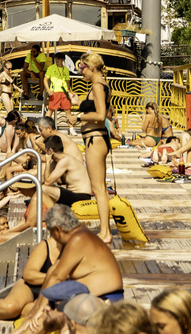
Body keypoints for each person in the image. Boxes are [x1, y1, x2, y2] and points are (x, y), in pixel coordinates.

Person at [77, 53, 114, 243]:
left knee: (98, 188)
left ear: (92, 67)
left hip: (95, 138)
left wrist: (78, 117)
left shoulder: (98, 86)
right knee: (100, 189)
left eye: (83, 68)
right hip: (97, 138)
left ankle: (105, 233)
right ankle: (105, 230)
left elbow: (100, 115)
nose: (81, 72)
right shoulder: (103, 85)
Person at [42, 135, 94, 207]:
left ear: (50, 151)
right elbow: (57, 181)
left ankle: (52, 212)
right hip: (73, 194)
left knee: (43, 189)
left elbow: (47, 183)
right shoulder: (58, 161)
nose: (45, 154)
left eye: (46, 150)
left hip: (81, 196)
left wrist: (47, 162)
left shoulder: (66, 160)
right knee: (41, 188)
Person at [44, 51, 75, 130]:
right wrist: (48, 90)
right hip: (54, 92)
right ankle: (44, 126)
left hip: (64, 92)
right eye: (56, 59)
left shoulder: (66, 69)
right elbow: (45, 79)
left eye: (58, 59)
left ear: (62, 60)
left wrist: (69, 91)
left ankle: (71, 128)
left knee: (68, 110)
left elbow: (67, 81)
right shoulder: (51, 68)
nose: (56, 60)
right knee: (50, 110)